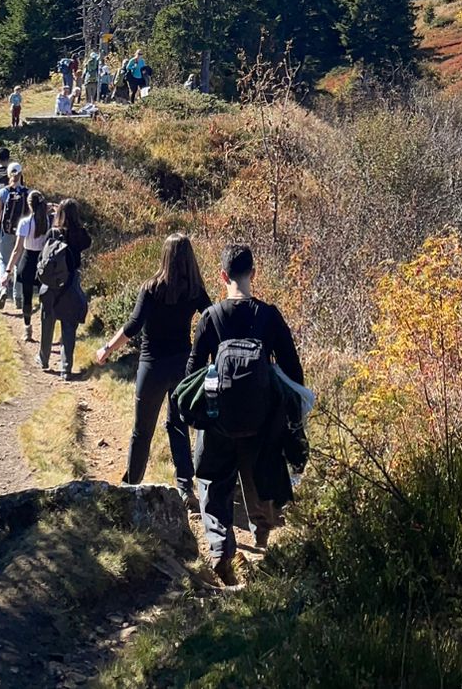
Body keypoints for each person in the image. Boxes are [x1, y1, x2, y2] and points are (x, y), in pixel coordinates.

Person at [186, 243, 305, 584]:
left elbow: (192, 371)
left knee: (211, 479)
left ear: (222, 276)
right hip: (260, 421)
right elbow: (294, 372)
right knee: (259, 477)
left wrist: (199, 413)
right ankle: (262, 539)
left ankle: (222, 550)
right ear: (254, 273)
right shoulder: (269, 316)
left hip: (218, 419)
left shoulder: (210, 317)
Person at [98, 234, 210, 504]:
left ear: (165, 256)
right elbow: (211, 317)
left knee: (142, 429)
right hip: (183, 366)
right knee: (178, 425)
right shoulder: (195, 289)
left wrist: (107, 348)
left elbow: (134, 325)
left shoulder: (151, 288)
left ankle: (131, 485)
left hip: (152, 366)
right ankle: (185, 488)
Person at [35, 199, 92, 378]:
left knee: (47, 320)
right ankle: (66, 368)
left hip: (52, 282)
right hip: (71, 281)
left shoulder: (54, 232)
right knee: (69, 324)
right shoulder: (81, 234)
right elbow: (87, 243)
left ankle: (44, 359)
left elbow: (43, 257)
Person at [7, 190, 51, 339]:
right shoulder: (47, 220)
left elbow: (17, 249)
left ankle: (27, 328)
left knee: (27, 296)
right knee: (44, 297)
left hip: (27, 260)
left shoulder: (25, 223)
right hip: (42, 261)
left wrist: (8, 269)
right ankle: (46, 330)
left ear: (29, 205)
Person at [0, 163, 30, 303]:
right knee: (19, 263)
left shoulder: (3, 192)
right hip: (22, 234)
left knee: (4, 261)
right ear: (21, 174)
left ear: (8, 175)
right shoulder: (28, 192)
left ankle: (3, 289)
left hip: (6, 232)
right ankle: (17, 296)